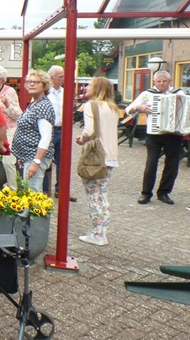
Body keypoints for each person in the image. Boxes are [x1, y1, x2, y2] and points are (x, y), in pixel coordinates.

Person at [126, 70, 183, 205]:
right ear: (154, 82)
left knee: (172, 164)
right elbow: (129, 109)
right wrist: (139, 107)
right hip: (154, 133)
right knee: (151, 163)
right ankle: (146, 193)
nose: (161, 84)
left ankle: (164, 192)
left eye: (164, 81)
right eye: (158, 81)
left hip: (173, 134)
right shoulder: (148, 94)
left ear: (170, 82)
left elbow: (186, 111)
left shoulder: (179, 93)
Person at [75, 77, 119, 246]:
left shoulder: (91, 106)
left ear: (98, 88)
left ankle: (97, 234)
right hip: (111, 156)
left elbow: (89, 130)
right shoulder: (113, 108)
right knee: (103, 193)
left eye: (90, 85)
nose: (86, 88)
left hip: (96, 155)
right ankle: (103, 231)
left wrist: (81, 138)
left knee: (93, 195)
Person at [11, 70, 55, 193]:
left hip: (35, 156)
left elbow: (46, 137)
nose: (31, 84)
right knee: (27, 191)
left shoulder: (43, 106)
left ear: (44, 85)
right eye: (29, 82)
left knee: (32, 192)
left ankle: (35, 213)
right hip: (28, 156)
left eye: (36, 82)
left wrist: (36, 162)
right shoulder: (34, 103)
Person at [43, 65, 77, 201]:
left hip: (62, 130)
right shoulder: (45, 93)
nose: (64, 79)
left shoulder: (66, 92)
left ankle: (61, 190)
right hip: (48, 130)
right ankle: (45, 191)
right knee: (46, 160)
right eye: (61, 76)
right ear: (52, 78)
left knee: (63, 161)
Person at [0, 65, 22, 189]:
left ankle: (13, 190)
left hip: (9, 130)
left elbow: (18, 115)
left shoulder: (10, 92)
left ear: (1, 79)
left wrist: (7, 104)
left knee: (8, 162)